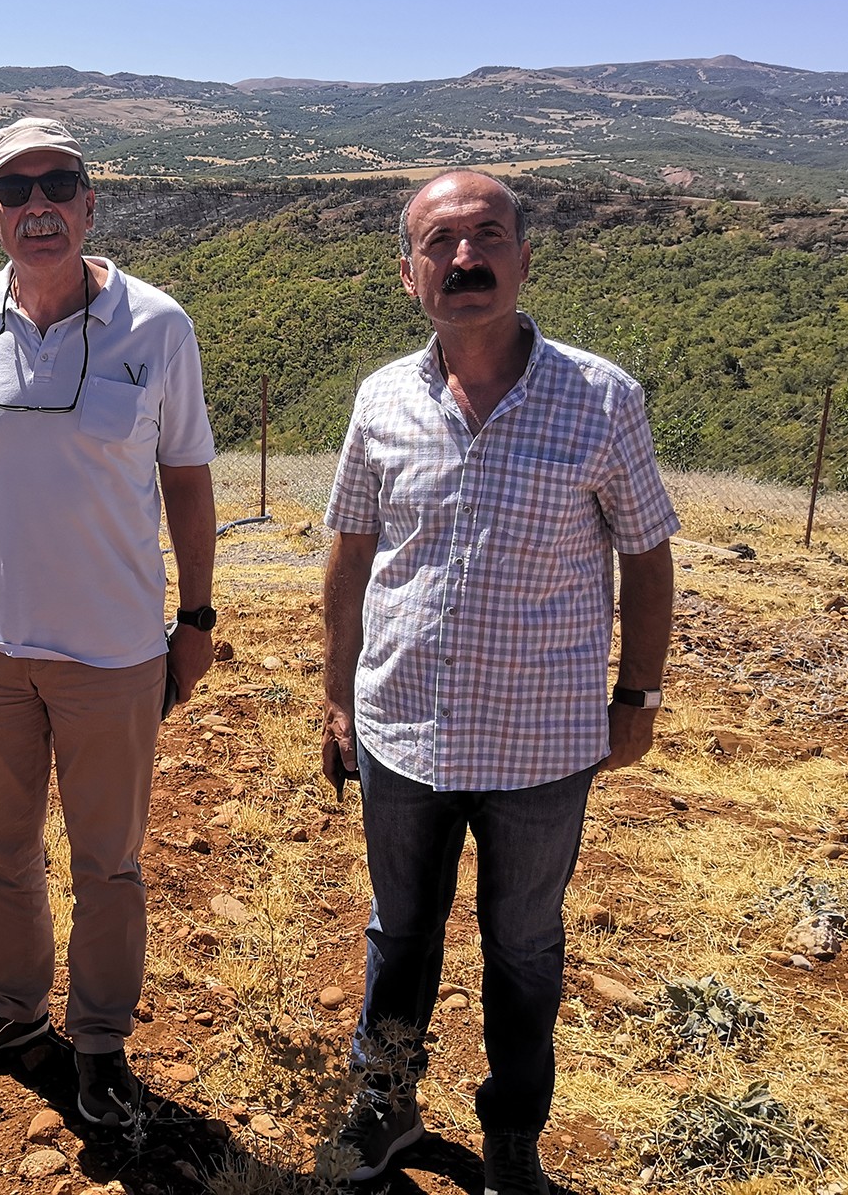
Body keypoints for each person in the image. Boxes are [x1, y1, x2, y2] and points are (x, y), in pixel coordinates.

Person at [320, 170, 677, 1194]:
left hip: (542, 745)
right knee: (400, 937)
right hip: (402, 731)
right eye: (441, 242)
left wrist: (637, 696)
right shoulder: (381, 397)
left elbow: (649, 557)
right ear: (408, 273)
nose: (465, 257)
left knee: (524, 947)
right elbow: (350, 555)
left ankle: (512, 1136)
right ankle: (383, 1107)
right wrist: (334, 697)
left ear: (523, 258)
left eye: (487, 236)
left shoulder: (602, 397)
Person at [0, 118, 218, 1127]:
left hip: (114, 647)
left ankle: (101, 1041)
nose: (39, 205)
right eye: (15, 188)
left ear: (89, 205)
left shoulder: (158, 326)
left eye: (60, 184)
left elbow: (190, 480)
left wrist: (198, 617)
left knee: (108, 861)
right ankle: (12, 1012)